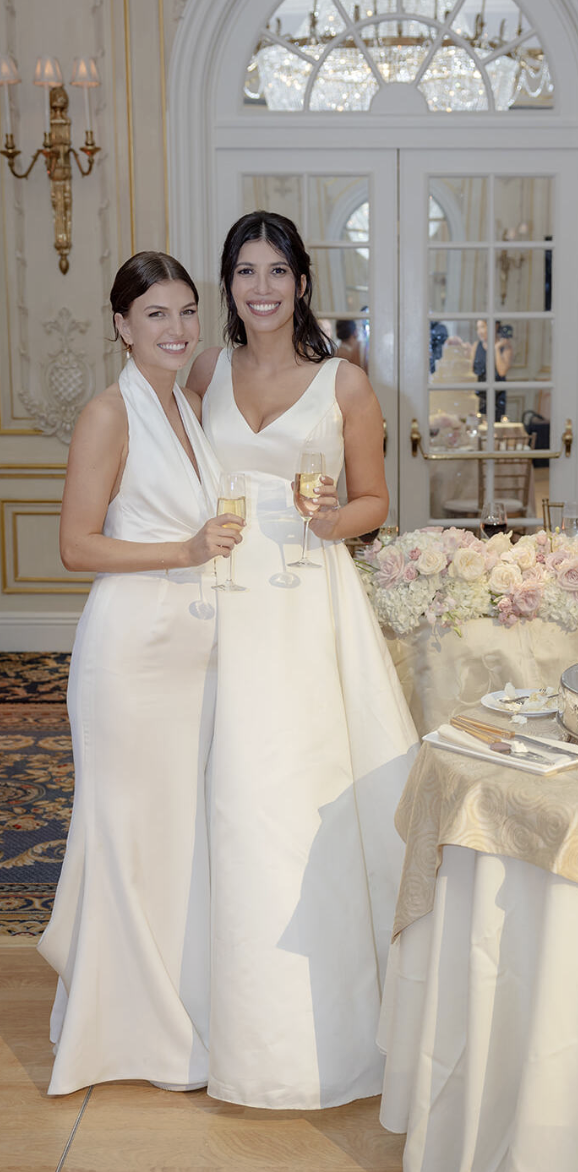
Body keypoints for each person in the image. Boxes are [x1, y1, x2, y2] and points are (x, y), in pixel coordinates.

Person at [186, 210, 418, 1110]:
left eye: (276, 271)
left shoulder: (345, 383)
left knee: (297, 788)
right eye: (245, 271)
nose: (261, 287)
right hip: (215, 599)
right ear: (228, 284)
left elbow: (374, 501)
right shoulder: (203, 369)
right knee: (224, 798)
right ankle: (215, 1015)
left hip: (305, 603)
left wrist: (331, 522)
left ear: (302, 283)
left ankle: (326, 1027)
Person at [37, 252, 242, 1095]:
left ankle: (173, 1007)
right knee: (125, 834)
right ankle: (121, 1032)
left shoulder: (189, 407)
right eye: (155, 314)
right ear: (121, 325)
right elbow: (76, 544)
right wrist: (182, 551)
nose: (177, 329)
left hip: (192, 653)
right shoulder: (106, 416)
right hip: (130, 657)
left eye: (187, 312)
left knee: (176, 838)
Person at [472, 318, 513, 420]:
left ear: (495, 327)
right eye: (478, 328)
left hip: (497, 396)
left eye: (483, 327)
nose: (480, 332)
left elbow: (502, 371)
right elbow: (471, 371)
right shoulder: (476, 345)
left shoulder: (506, 347)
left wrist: (496, 349)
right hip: (479, 394)